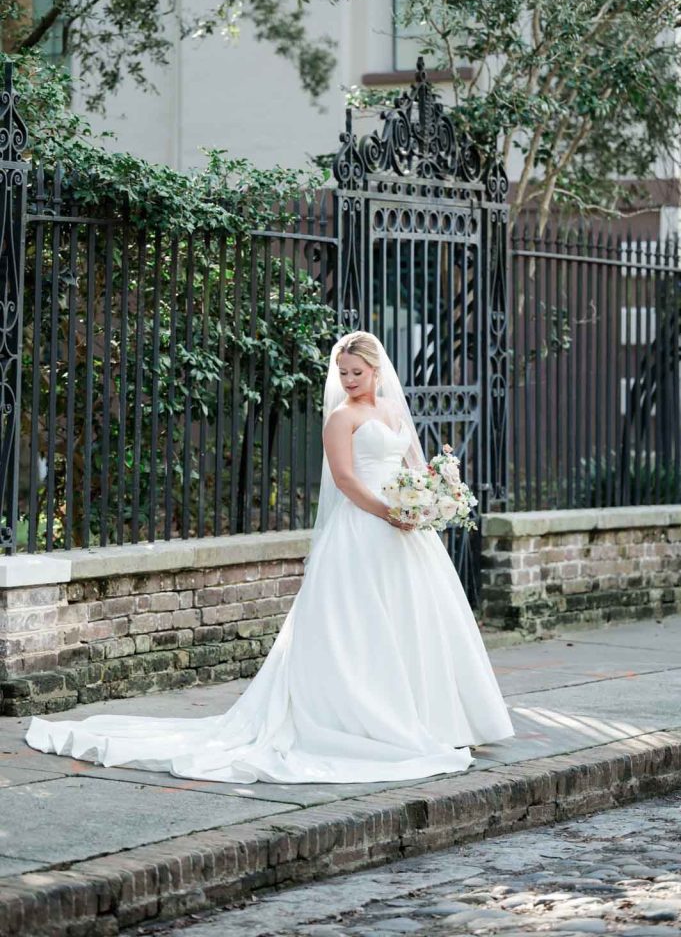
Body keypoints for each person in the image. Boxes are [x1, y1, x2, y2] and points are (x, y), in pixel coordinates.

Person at [25, 331, 513, 783]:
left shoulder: (392, 412)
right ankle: (367, 719)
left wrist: (430, 499)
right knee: (361, 626)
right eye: (342, 372)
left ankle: (433, 717)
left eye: (355, 373)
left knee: (414, 621)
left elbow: (414, 466)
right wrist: (390, 512)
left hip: (405, 535)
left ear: (376, 371)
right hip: (364, 528)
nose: (347, 380)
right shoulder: (341, 418)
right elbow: (345, 481)